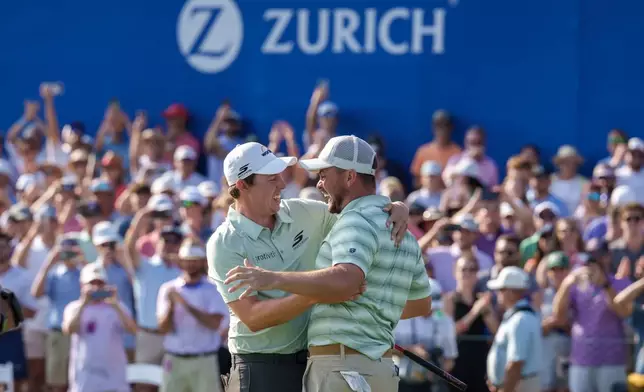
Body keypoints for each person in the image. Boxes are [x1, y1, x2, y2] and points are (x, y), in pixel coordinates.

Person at [224, 135, 431, 392]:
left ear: (349, 177)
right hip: (381, 371)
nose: (319, 183)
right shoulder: (404, 233)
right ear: (242, 185)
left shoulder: (353, 221)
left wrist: (272, 278)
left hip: (341, 369)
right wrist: (368, 311)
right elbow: (421, 303)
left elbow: (345, 279)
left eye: (324, 175)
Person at [157, 240, 227, 392]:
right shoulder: (168, 289)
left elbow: (214, 323)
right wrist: (171, 306)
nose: (191, 265)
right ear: (180, 261)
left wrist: (185, 304)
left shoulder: (213, 289)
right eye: (187, 260)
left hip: (204, 360)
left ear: (203, 262)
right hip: (174, 360)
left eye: (195, 261)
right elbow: (163, 328)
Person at [62, 263, 137, 392]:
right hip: (85, 378)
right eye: (92, 283)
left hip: (114, 379)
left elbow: (132, 330)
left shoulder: (118, 308)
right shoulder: (74, 308)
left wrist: (116, 304)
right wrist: (84, 303)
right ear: (82, 286)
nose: (96, 288)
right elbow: (69, 329)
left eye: (100, 283)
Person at [486, 266, 542, 392]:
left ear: (511, 292)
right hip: (515, 385)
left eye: (501, 289)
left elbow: (516, 363)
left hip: (519, 386)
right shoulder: (517, 317)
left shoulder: (520, 319)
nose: (497, 294)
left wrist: (505, 389)